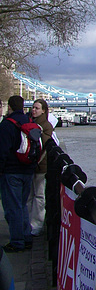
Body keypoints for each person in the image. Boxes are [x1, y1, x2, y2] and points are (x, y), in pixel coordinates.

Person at [0, 96, 35, 253]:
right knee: (22, 205)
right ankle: (27, 237)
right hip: (28, 170)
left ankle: (17, 241)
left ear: (10, 107)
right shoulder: (30, 123)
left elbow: (2, 151)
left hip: (11, 171)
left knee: (12, 207)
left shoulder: (7, 125)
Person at [27, 99, 54, 237]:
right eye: (33, 107)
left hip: (40, 166)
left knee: (39, 196)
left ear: (44, 110)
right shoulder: (31, 122)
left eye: (37, 108)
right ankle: (28, 223)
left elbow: (45, 147)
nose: (34, 110)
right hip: (30, 165)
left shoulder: (46, 125)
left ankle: (36, 225)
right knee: (30, 196)